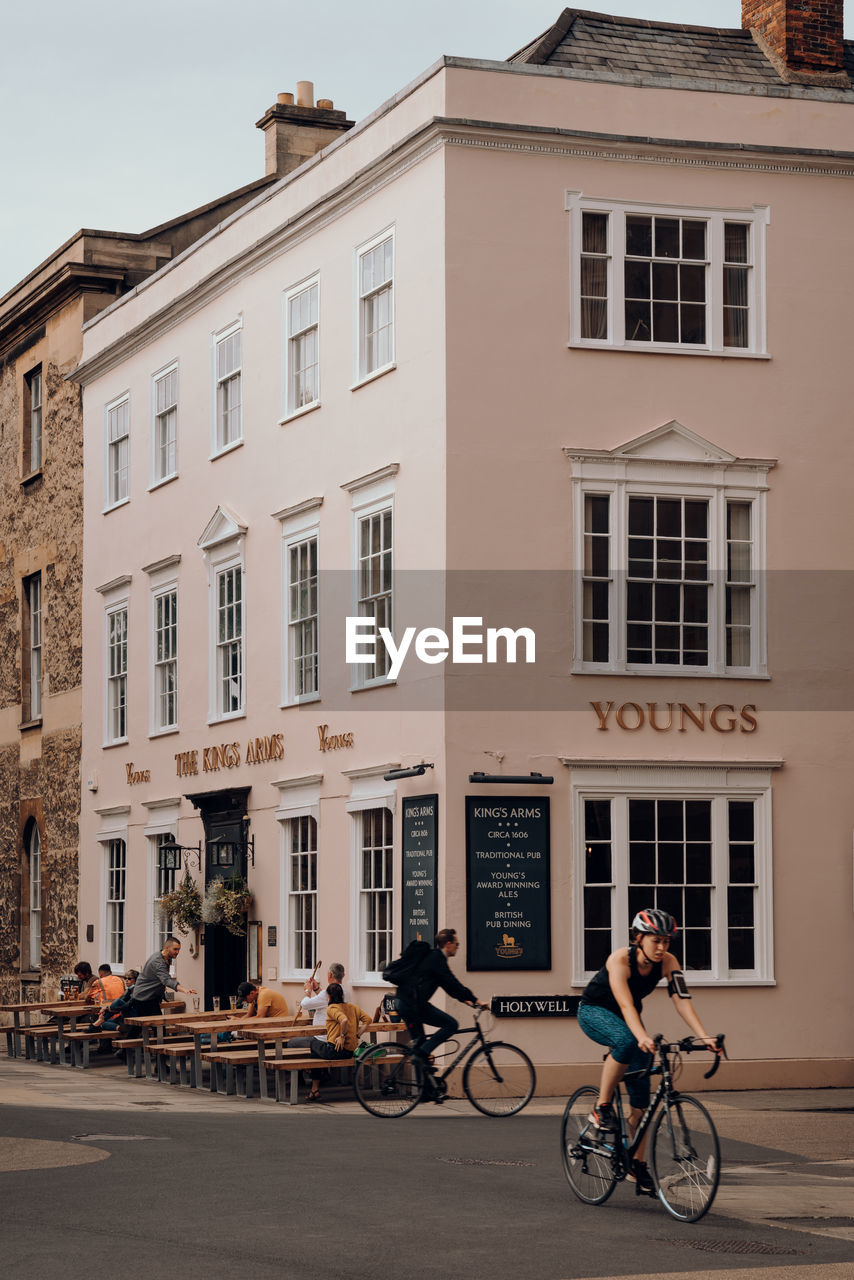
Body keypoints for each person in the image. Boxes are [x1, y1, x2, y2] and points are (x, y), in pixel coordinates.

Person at [577, 908, 719, 1196]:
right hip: (595, 1011)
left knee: (640, 1103)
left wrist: (704, 1036)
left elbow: (681, 999)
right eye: (655, 940)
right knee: (627, 1041)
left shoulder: (668, 962)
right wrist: (641, 1035)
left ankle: (636, 1165)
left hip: (630, 1020)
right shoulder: (619, 959)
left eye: (666, 941)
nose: (661, 947)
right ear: (638, 938)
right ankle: (601, 1108)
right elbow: (626, 1005)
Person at [393, 928, 482, 1071]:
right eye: (456, 944)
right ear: (448, 944)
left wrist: (466, 1001)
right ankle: (422, 1054)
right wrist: (477, 1000)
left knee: (420, 1045)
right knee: (451, 1024)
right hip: (413, 1005)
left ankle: (426, 1089)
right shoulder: (437, 959)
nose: (458, 947)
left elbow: (448, 986)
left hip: (403, 1002)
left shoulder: (432, 957)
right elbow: (453, 983)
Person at [306, 983, 372, 1101]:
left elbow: (344, 1020)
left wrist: (342, 1036)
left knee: (313, 1042)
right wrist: (358, 1034)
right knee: (315, 1053)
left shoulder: (332, 1008)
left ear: (329, 996)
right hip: (350, 1052)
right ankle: (314, 1089)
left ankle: (315, 1086)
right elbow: (368, 1019)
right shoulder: (353, 1007)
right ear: (341, 995)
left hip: (335, 1051)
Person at [123, 937, 196, 1019]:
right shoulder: (158, 961)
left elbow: (161, 978)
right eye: (175, 949)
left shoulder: (166, 957)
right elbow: (166, 980)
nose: (177, 952)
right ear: (167, 948)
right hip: (143, 998)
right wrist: (183, 989)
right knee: (156, 1028)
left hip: (148, 998)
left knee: (152, 1028)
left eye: (179, 949)